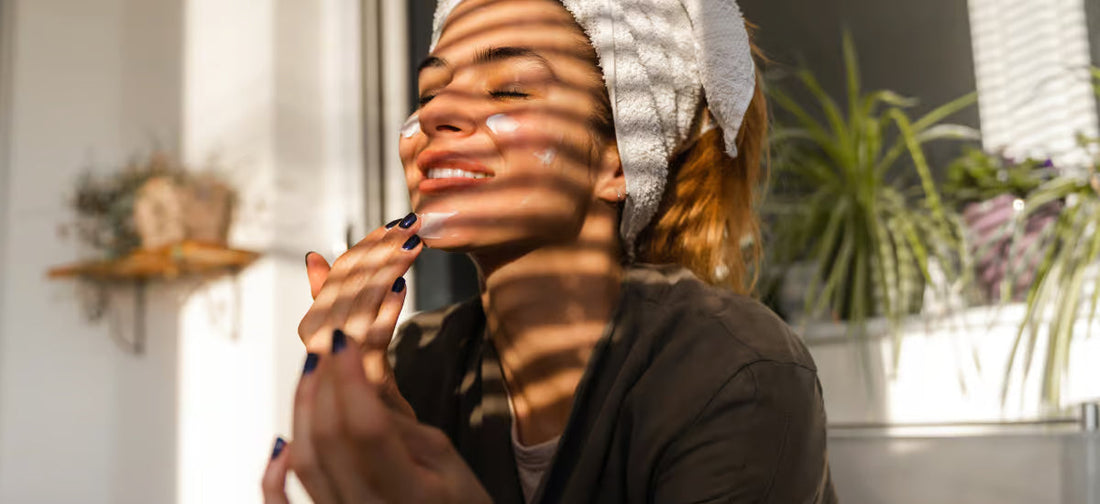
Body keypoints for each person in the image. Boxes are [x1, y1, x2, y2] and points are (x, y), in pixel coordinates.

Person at [263, 0, 838, 502]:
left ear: (618, 160)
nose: (434, 114)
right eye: (429, 92)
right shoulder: (416, 363)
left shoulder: (736, 373)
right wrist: (376, 406)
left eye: (509, 88)